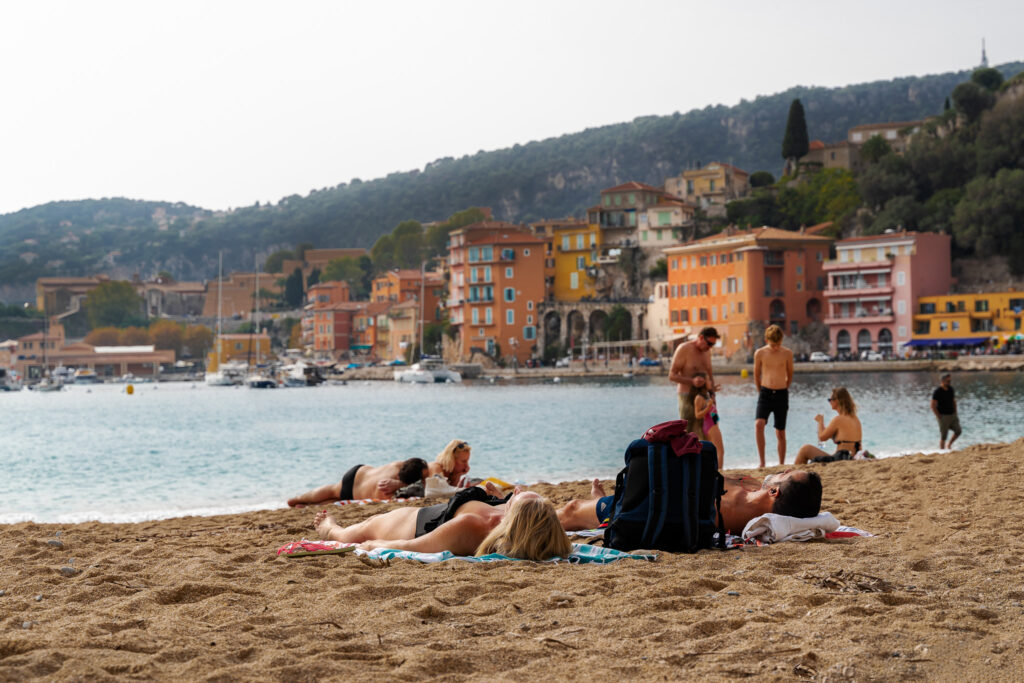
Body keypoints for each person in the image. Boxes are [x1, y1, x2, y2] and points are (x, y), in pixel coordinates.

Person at [312, 486, 572, 560]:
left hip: (412, 522)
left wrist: (368, 546)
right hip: (447, 511)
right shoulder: (540, 525)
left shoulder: (471, 527)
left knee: (348, 535)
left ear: (510, 518)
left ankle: (329, 528)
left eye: (513, 499)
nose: (514, 491)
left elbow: (407, 545)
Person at [557, 469, 822, 535]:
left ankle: (517, 505)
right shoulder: (750, 499)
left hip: (647, 508)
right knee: (600, 503)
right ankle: (600, 500)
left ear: (775, 493)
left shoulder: (735, 503)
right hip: (656, 502)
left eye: (785, 475)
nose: (782, 471)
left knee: (571, 509)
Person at [287, 458, 429, 506]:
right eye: (422, 478)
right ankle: (303, 502)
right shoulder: (388, 490)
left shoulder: (398, 464)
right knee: (336, 495)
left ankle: (299, 499)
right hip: (354, 493)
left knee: (333, 490)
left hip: (360, 472)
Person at [753, 324, 794, 467]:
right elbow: (756, 375)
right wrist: (761, 391)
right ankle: (762, 462)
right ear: (766, 340)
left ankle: (781, 463)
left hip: (782, 394)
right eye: (773, 344)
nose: (776, 347)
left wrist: (783, 388)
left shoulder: (787, 353)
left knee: (780, 432)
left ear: (782, 340)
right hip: (765, 393)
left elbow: (790, 374)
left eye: (778, 344)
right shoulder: (760, 353)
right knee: (759, 424)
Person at [794, 387, 863, 465]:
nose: (829, 402)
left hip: (841, 459)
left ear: (837, 401)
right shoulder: (855, 419)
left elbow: (822, 437)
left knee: (805, 449)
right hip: (852, 458)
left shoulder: (838, 419)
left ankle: (792, 474)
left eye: (830, 400)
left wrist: (820, 422)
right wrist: (822, 425)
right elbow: (828, 434)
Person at [669, 326, 720, 428]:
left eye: (713, 345)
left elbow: (710, 375)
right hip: (687, 396)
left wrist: (713, 395)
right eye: (709, 343)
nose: (710, 347)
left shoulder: (707, 352)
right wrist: (692, 381)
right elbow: (671, 375)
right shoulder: (684, 349)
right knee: (689, 432)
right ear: (701, 337)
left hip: (705, 397)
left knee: (712, 428)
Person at [691, 372, 725, 468]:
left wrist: (713, 391)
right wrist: (708, 407)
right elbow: (697, 415)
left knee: (716, 451)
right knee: (720, 451)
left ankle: (715, 471)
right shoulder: (699, 398)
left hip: (713, 424)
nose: (711, 381)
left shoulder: (707, 396)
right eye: (709, 380)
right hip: (710, 425)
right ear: (704, 382)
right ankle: (719, 472)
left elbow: (714, 413)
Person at [931, 374, 961, 450]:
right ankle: (942, 451)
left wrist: (955, 412)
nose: (949, 382)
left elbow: (953, 401)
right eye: (948, 381)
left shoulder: (951, 389)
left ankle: (949, 445)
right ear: (943, 381)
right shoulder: (937, 391)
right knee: (943, 436)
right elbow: (932, 405)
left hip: (952, 415)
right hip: (943, 416)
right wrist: (939, 416)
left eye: (950, 381)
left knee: (958, 431)